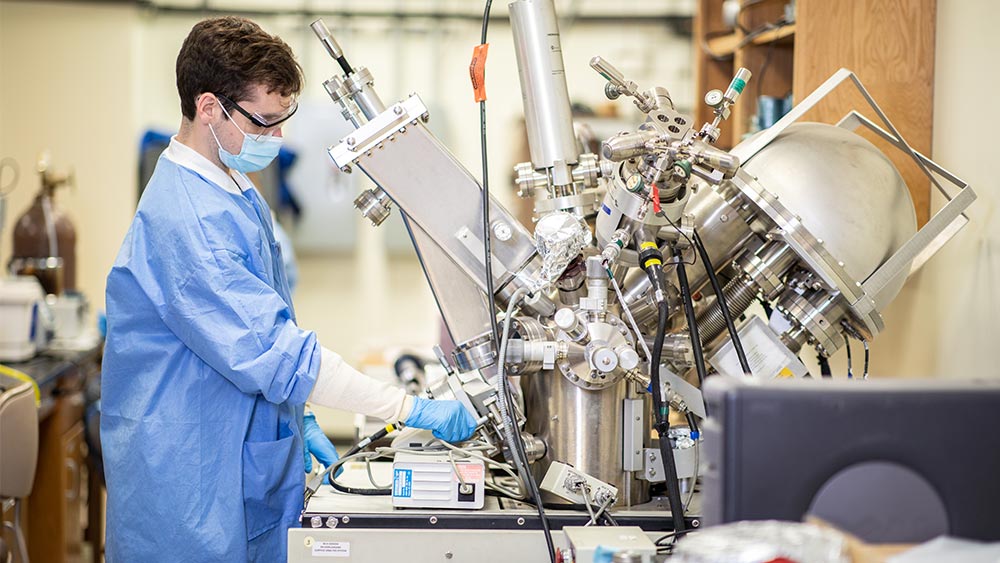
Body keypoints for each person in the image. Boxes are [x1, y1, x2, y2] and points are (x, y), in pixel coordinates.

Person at [101, 16, 478, 562]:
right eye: (264, 121)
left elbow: (263, 328)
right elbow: (281, 357)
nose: (278, 137)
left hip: (234, 453)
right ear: (210, 107)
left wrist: (296, 410)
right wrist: (409, 408)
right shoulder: (189, 220)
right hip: (188, 481)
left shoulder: (229, 185)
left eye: (285, 119)